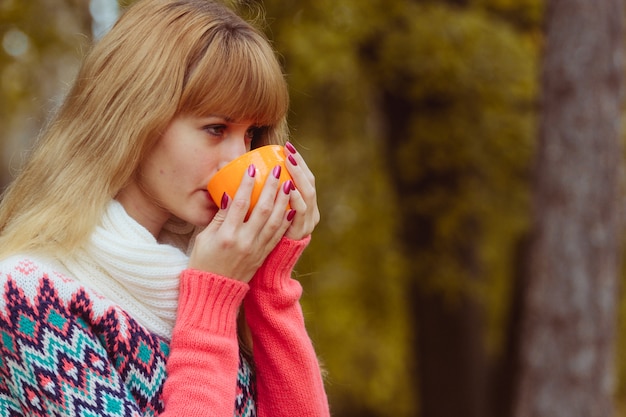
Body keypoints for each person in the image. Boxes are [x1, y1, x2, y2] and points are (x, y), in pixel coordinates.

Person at [0, 0, 330, 416]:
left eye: (250, 135)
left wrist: (270, 282)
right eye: (216, 128)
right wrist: (211, 298)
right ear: (136, 118)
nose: (238, 159)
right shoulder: (31, 296)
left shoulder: (208, 276)